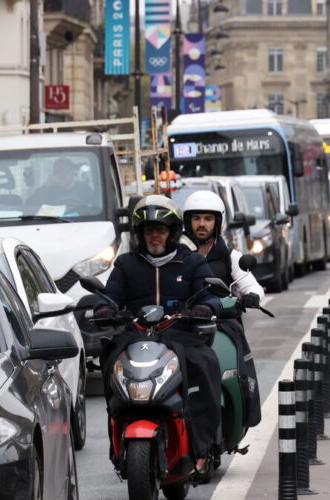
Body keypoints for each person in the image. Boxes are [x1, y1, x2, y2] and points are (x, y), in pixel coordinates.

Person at [94, 195, 223, 468]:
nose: (155, 235)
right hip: (135, 335)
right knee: (107, 360)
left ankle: (203, 445)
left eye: (160, 229)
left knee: (205, 364)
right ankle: (117, 439)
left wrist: (204, 308)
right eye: (148, 230)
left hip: (180, 335)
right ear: (140, 234)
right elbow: (111, 295)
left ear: (173, 232)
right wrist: (104, 309)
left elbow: (211, 295)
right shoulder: (126, 264)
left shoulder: (192, 262)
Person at [183, 190, 264, 427]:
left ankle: (238, 412)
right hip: (183, 324)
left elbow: (255, 287)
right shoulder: (177, 255)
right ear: (188, 222)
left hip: (220, 326)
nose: (201, 224)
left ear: (218, 222)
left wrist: (250, 297)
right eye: (196, 218)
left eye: (208, 219)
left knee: (232, 371)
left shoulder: (231, 256)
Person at [29, 158, 96, 213]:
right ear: (54, 174)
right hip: (53, 223)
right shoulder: (49, 191)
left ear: (72, 173)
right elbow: (30, 205)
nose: (62, 175)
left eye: (65, 171)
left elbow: (95, 208)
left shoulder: (84, 189)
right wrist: (46, 186)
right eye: (58, 172)